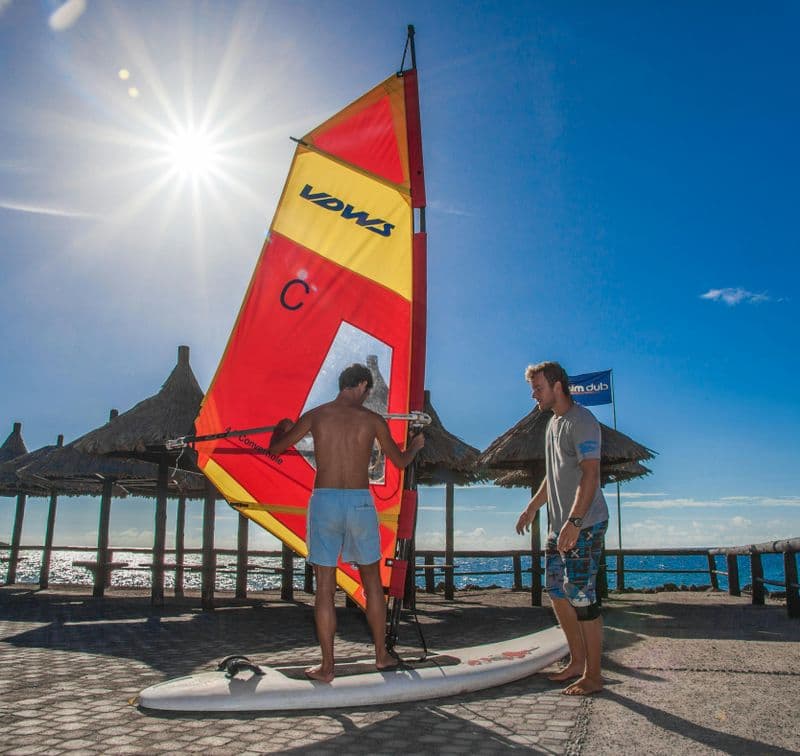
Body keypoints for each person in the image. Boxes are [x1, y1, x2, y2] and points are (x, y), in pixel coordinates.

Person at [269, 363, 424, 683]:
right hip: (358, 501)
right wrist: (416, 447)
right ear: (362, 385)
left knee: (324, 588)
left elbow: (277, 449)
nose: (368, 396)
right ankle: (382, 655)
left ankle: (327, 667)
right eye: (368, 391)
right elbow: (400, 461)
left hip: (324, 500)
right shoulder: (372, 420)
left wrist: (280, 429)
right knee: (372, 584)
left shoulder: (317, 414)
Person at [515, 361, 609, 696]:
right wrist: (531, 507)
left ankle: (594, 676)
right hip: (560, 526)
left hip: (584, 522)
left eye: (538, 388)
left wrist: (575, 522)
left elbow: (590, 474)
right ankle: (576, 661)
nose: (534, 395)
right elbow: (552, 477)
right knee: (557, 592)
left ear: (557, 386)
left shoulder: (582, 421)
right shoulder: (551, 425)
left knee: (582, 597)